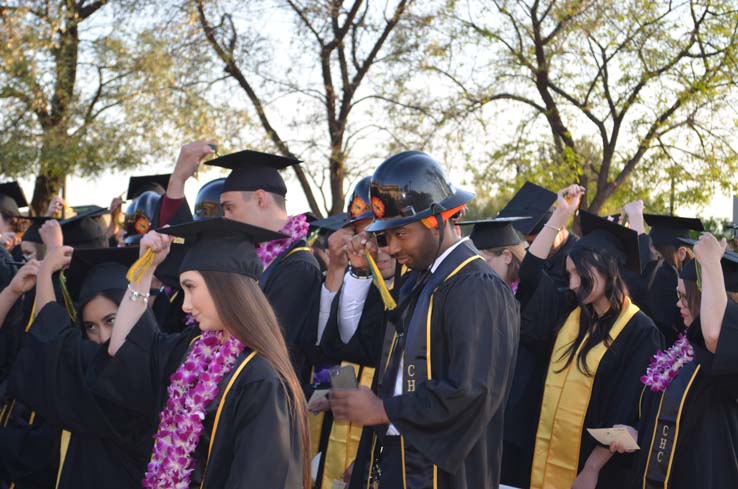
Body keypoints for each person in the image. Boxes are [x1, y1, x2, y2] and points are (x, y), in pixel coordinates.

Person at [329, 151, 519, 488]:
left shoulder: (476, 286)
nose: (390, 248)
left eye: (401, 234)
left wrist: (382, 410)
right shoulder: (425, 280)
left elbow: (472, 390)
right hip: (401, 461)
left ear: (437, 220)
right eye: (387, 236)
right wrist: (364, 269)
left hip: (444, 475)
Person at [96, 217, 311, 488]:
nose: (185, 305)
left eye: (191, 287)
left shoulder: (260, 379)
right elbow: (124, 347)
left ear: (224, 286)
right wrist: (146, 270)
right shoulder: (195, 353)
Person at [518, 185, 663, 489]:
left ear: (604, 270)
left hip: (596, 472)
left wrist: (592, 469)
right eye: (568, 273)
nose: (571, 283)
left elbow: (623, 412)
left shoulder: (640, 331)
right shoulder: (571, 311)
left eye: (577, 274)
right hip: (544, 458)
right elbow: (530, 273)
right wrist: (561, 214)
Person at [7, 223, 155, 489]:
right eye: (90, 327)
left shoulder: (141, 369)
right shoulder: (97, 362)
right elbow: (56, 338)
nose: (101, 336)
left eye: (112, 320)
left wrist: (46, 273)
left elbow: (51, 336)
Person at [163, 143, 322, 383]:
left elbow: (267, 341)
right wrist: (177, 182)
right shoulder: (245, 253)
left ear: (260, 198)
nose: (225, 217)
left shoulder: (298, 266)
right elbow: (186, 261)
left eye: (229, 208)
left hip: (258, 393)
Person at [621, 234, 738, 489]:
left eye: (685, 297)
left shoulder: (726, 352)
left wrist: (710, 265)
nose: (677, 304)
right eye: (677, 294)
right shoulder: (685, 350)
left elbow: (716, 334)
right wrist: (641, 433)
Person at [622, 201, 703, 345]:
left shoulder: (656, 275)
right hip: (668, 351)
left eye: (654, 250)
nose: (652, 255)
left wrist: (636, 218)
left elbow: (643, 256)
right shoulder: (671, 277)